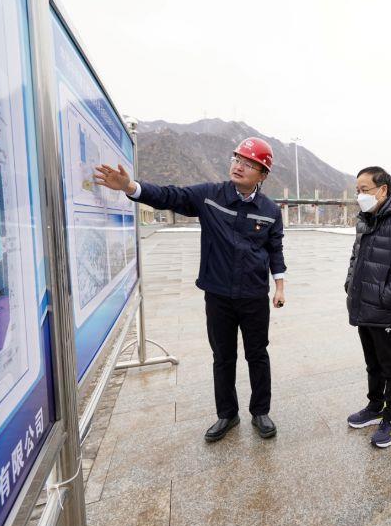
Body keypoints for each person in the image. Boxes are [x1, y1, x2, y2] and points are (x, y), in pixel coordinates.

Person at [94, 137, 286, 442]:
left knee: (257, 354)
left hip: (253, 296)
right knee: (223, 356)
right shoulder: (210, 195)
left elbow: (275, 249)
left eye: (249, 164)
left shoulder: (270, 210)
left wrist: (279, 287)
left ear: (262, 174)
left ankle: (260, 412)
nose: (239, 166)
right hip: (218, 295)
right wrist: (131, 187)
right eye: (237, 159)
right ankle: (227, 414)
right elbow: (170, 196)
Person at [344, 166, 391, 448]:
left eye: (365, 190)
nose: (360, 195)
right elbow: (356, 256)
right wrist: (350, 284)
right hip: (363, 306)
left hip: (385, 310)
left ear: (383, 190)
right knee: (373, 363)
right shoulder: (365, 219)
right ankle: (375, 406)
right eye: (357, 190)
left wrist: (385, 299)